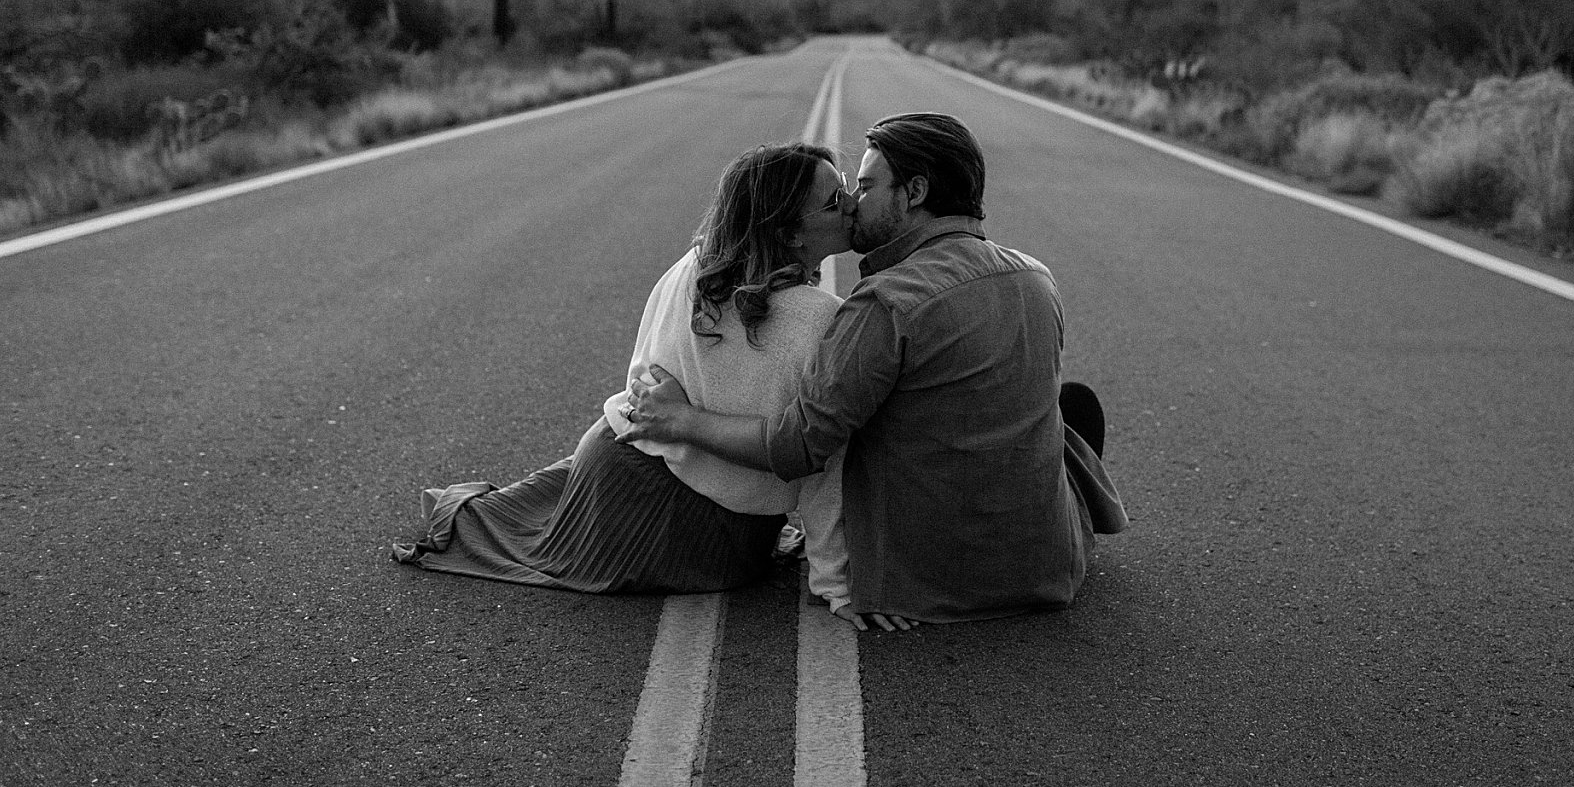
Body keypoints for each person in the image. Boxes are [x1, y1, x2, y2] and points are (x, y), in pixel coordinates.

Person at [619, 112, 1127, 630]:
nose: (853, 204)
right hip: (1047, 570)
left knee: (880, 424)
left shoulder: (885, 302)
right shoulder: (1036, 276)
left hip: (927, 582)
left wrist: (683, 421)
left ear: (913, 192)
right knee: (1057, 406)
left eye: (864, 187)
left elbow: (797, 448)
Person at [393, 142, 854, 600]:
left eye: (849, 188)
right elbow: (822, 459)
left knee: (508, 519)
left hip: (614, 460)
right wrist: (834, 583)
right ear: (790, 232)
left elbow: (643, 382)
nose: (853, 204)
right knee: (507, 531)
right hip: (679, 517)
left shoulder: (700, 263)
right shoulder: (820, 318)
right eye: (836, 200)